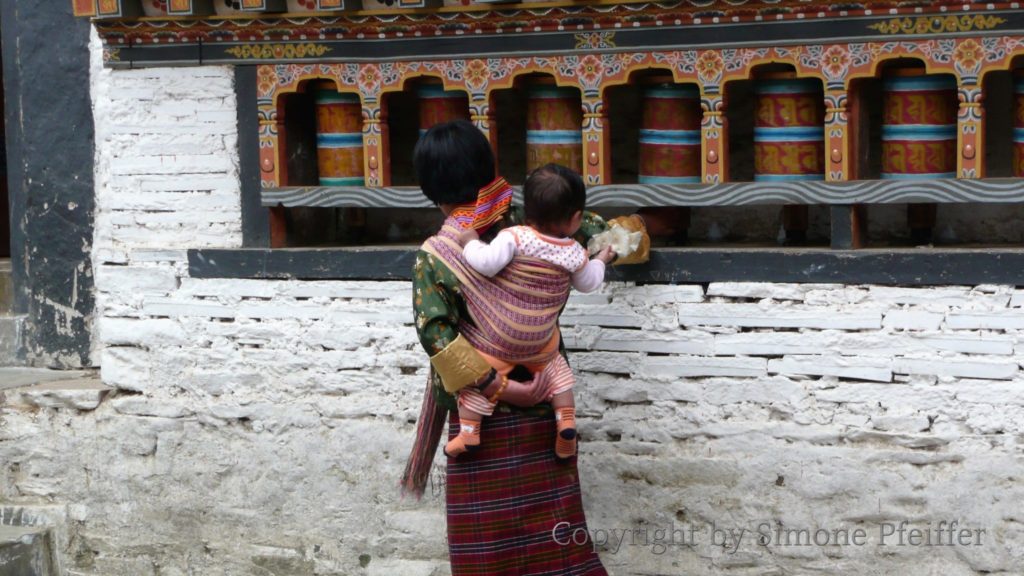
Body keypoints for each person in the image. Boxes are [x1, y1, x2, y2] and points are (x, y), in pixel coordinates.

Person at [401, 119, 644, 575]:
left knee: (487, 553)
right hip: (548, 405)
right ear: (488, 171)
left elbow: (437, 336)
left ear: (431, 190)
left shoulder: (435, 256)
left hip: (480, 419)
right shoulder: (536, 219)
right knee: (557, 545)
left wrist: (498, 387)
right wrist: (626, 237)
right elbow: (601, 233)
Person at [444, 164, 616, 460]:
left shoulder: (514, 237)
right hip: (540, 345)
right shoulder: (574, 252)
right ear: (576, 219)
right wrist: (600, 259)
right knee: (558, 375)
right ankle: (566, 424)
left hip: (499, 340)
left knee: (473, 384)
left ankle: (469, 433)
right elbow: (588, 283)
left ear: (526, 212)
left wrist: (470, 241)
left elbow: (484, 263)